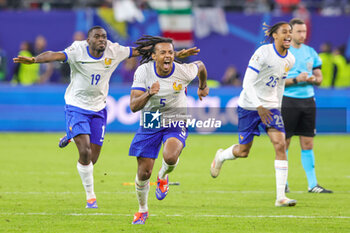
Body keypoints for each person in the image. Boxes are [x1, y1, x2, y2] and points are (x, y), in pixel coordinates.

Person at [13, 26, 199, 209]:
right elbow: (55, 55)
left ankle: (72, 134)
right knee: (84, 152)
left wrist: (176, 54)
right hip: (76, 106)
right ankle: (91, 197)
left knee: (92, 159)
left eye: (104, 36)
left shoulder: (114, 50)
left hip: (99, 108)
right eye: (97, 37)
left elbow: (143, 50)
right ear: (89, 40)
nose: (102, 39)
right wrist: (34, 59)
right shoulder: (77, 50)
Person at [210, 22, 297, 207]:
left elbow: (280, 85)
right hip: (250, 106)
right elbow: (247, 83)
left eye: (290, 32)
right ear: (275, 35)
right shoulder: (262, 53)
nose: (289, 35)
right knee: (243, 151)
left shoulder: (290, 59)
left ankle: (280, 197)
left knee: (280, 144)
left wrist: (278, 107)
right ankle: (221, 156)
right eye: (284, 32)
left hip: (271, 107)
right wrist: (259, 106)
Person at [128, 35, 209, 224]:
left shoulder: (183, 71)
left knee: (170, 156)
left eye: (171, 52)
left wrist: (203, 86)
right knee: (143, 173)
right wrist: (149, 93)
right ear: (154, 56)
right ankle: (142, 210)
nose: (168, 56)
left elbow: (201, 66)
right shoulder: (143, 71)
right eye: (163, 52)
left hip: (176, 117)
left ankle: (162, 176)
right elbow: (133, 106)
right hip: (151, 119)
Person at [282, 18, 332, 193]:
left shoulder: (311, 52)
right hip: (288, 101)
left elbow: (319, 77)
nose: (303, 35)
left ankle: (312, 184)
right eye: (299, 32)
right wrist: (297, 79)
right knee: (284, 143)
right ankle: (284, 183)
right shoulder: (284, 54)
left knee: (308, 143)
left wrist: (314, 79)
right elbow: (278, 82)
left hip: (308, 101)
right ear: (290, 33)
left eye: (304, 32)